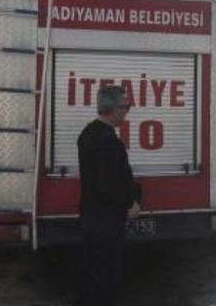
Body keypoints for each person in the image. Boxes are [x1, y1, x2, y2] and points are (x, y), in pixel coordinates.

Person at [77, 85, 141, 306]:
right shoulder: (107, 142)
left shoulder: (88, 133)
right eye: (125, 106)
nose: (127, 111)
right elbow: (108, 184)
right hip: (106, 220)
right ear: (112, 108)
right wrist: (130, 204)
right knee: (105, 277)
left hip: (91, 217)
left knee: (91, 273)